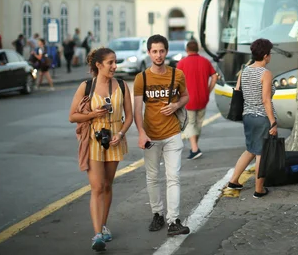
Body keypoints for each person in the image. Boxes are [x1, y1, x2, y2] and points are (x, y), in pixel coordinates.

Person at [68, 47, 133, 252]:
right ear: (99, 65)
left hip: (115, 139)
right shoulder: (86, 86)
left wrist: (120, 134)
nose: (115, 66)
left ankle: (103, 226)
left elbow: (129, 116)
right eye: (110, 63)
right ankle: (97, 235)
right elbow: (72, 116)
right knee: (96, 187)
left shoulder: (122, 85)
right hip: (95, 140)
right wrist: (93, 114)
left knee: (107, 185)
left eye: (115, 62)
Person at [133, 34, 191, 236]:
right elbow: (137, 109)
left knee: (173, 177)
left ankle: (173, 220)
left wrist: (176, 104)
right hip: (151, 136)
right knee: (152, 177)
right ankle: (157, 213)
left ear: (166, 52)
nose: (158, 55)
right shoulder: (142, 78)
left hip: (172, 134)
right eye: (154, 51)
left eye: (161, 51)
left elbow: (185, 96)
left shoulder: (178, 75)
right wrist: (141, 133)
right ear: (149, 53)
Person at [226, 38, 278, 197]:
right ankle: (259, 189)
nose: (270, 57)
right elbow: (265, 100)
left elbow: (237, 91)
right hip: (262, 118)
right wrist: (273, 122)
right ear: (265, 56)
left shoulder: (245, 70)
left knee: (250, 150)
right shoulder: (265, 73)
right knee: (261, 153)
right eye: (270, 54)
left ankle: (234, 180)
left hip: (247, 116)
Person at [176, 39, 218, 160]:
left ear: (187, 49)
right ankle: (195, 146)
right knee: (198, 124)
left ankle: (194, 149)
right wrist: (208, 90)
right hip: (203, 98)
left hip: (188, 99)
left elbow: (176, 81)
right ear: (198, 49)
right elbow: (214, 76)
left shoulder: (182, 63)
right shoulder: (205, 61)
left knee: (190, 124)